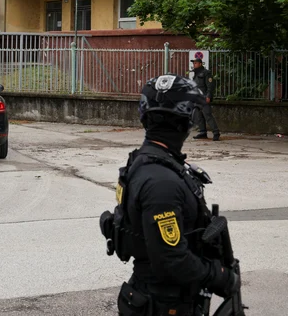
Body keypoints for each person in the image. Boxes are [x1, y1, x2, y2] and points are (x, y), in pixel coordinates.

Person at [99, 74, 240, 316]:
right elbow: (171, 259)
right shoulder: (161, 181)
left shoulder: (152, 164)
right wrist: (220, 276)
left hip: (161, 298)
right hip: (164, 304)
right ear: (184, 121)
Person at [191, 57, 220, 141]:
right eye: (193, 63)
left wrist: (208, 96)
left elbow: (210, 86)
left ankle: (216, 132)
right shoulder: (196, 74)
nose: (194, 65)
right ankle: (203, 132)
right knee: (199, 116)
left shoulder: (206, 73)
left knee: (208, 115)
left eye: (195, 63)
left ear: (200, 64)